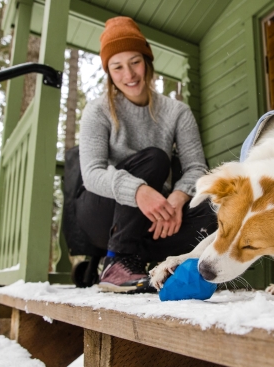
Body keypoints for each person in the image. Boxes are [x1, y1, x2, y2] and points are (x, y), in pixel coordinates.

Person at [75, 16, 217, 293]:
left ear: (147, 62)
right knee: (155, 158)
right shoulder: (97, 110)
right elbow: (91, 174)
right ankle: (117, 261)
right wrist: (138, 191)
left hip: (156, 217)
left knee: (213, 208)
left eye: (135, 62)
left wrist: (177, 197)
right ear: (109, 72)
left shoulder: (177, 112)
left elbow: (197, 168)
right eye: (117, 67)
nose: (128, 75)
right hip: (104, 214)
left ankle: (152, 267)